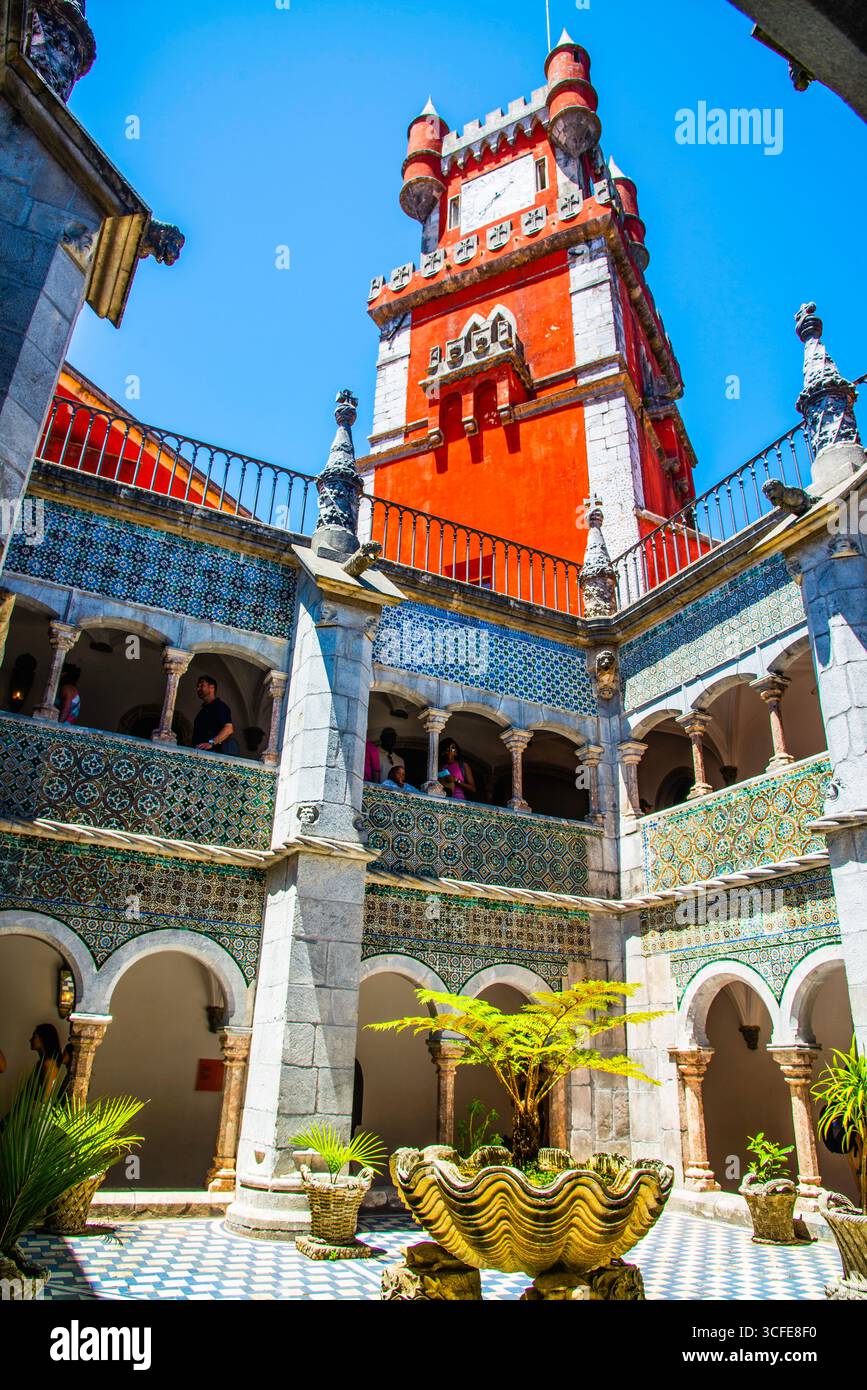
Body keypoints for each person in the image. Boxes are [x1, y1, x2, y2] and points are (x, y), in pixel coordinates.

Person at [193, 675, 240, 755]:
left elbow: (229, 729)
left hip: (213, 755)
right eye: (197, 686)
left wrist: (211, 743)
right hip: (199, 754)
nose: (198, 689)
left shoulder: (220, 706)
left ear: (212, 687)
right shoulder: (202, 711)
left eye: (202, 685)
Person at [30, 1023, 63, 1095]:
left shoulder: (49, 1064)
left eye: (34, 1036)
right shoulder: (41, 1063)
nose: (30, 1039)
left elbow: (46, 1097)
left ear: (43, 1039)